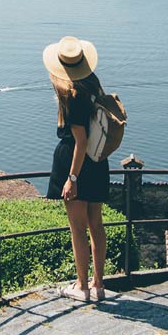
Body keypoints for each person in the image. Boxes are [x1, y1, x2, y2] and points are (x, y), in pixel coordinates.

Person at [43, 35, 119, 304]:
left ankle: (82, 286)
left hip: (75, 162)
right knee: (96, 225)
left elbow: (80, 140)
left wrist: (71, 178)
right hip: (97, 161)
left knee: (77, 228)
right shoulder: (93, 85)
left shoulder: (71, 94)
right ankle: (98, 284)